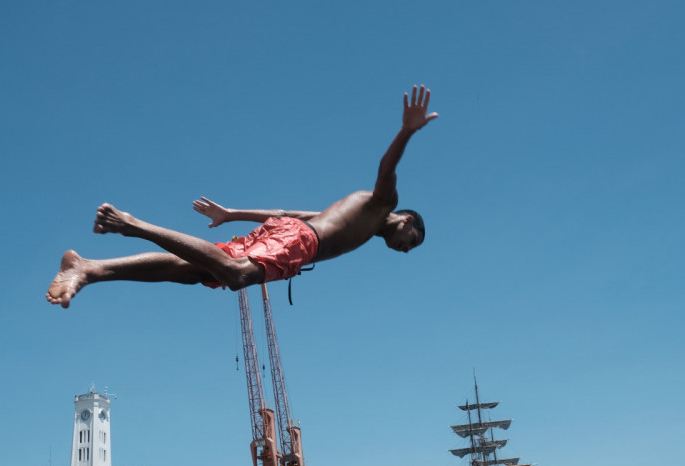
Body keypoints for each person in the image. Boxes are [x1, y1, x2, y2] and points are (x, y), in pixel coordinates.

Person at [46, 85, 438, 307]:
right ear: (406, 220)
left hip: (289, 234)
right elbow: (387, 167)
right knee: (237, 276)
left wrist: (232, 214)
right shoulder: (382, 203)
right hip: (300, 242)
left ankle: (89, 268)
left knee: (194, 271)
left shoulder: (360, 220)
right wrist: (407, 131)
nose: (406, 249)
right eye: (411, 241)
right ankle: (132, 224)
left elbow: (288, 213)